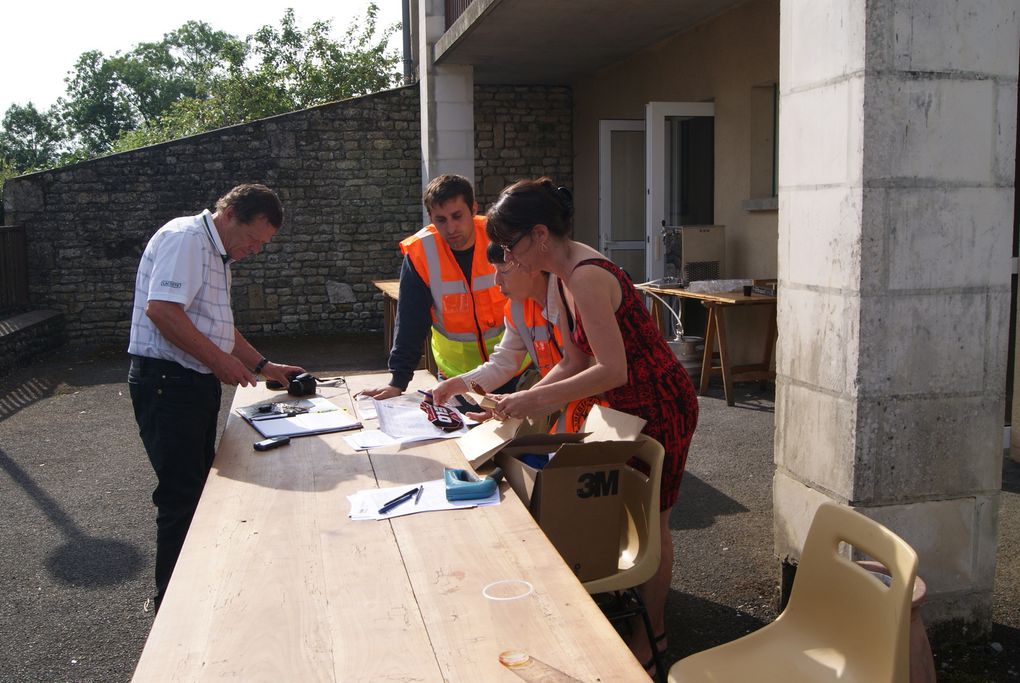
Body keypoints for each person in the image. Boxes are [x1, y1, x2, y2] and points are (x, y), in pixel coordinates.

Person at [483, 178, 699, 675]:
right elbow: (574, 357)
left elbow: (611, 369)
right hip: (625, 406)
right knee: (629, 512)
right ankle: (639, 611)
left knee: (654, 523)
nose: (508, 261)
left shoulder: (582, 276)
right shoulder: (561, 273)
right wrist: (523, 399)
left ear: (539, 235)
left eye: (511, 247)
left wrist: (529, 398)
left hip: (661, 404)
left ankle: (655, 637)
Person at [127, 183, 305, 611]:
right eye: (253, 239)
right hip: (168, 385)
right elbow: (162, 310)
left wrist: (266, 367)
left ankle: (192, 593)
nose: (255, 250)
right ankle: (171, 604)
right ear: (229, 215)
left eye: (262, 245)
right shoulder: (186, 240)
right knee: (182, 496)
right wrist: (221, 363)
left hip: (187, 384)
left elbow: (218, 327)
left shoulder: (214, 251)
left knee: (197, 491)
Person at [360, 174, 515, 400]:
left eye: (457, 216)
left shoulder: (500, 236)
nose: (451, 228)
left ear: (473, 209)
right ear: (430, 216)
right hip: (457, 379)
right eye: (440, 220)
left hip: (515, 371)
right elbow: (411, 319)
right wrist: (398, 381)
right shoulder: (421, 252)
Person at [430, 243, 601, 433]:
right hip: (565, 404)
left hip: (603, 410)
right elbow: (503, 363)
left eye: (503, 270)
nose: (497, 281)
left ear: (530, 265)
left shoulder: (570, 296)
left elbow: (582, 366)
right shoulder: (517, 308)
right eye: (494, 271)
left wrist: (525, 399)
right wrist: (455, 385)